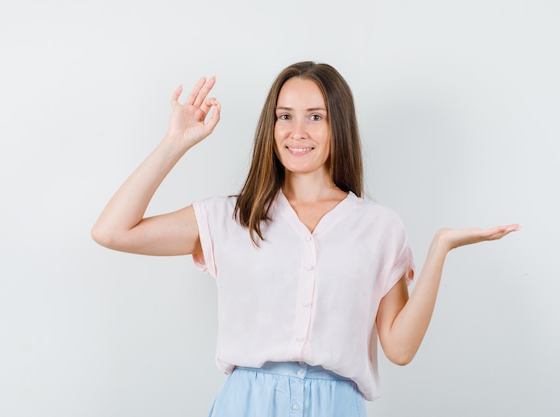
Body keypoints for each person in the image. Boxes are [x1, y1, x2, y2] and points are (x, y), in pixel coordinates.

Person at [91, 61, 519, 417]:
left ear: (339, 125)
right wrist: (175, 142)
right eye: (285, 115)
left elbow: (400, 348)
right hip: (247, 404)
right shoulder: (233, 216)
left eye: (316, 116)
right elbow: (112, 231)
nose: (298, 131)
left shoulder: (379, 227)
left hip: (338, 405)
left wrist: (440, 247)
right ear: (271, 125)